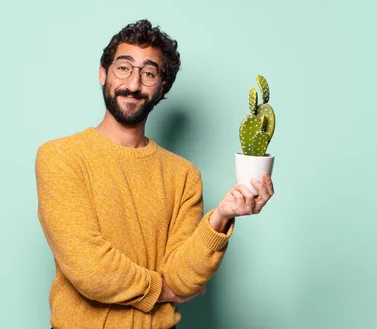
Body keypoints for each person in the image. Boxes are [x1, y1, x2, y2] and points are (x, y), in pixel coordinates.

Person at [35, 19, 274, 329]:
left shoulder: (184, 175)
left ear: (162, 88)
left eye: (148, 73)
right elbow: (89, 269)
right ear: (102, 73)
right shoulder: (60, 157)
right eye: (123, 68)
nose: (133, 85)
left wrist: (220, 218)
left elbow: (184, 277)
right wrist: (164, 289)